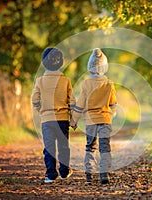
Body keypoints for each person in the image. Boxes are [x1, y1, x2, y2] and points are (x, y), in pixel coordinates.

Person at [70, 48, 117, 184]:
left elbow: (80, 104)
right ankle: (104, 174)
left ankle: (89, 174)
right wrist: (111, 115)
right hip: (105, 120)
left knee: (90, 146)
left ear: (90, 66)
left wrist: (74, 120)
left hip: (90, 121)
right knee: (105, 147)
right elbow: (113, 104)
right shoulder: (109, 84)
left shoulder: (86, 83)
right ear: (105, 66)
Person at [32, 47, 75, 183]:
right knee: (63, 146)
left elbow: (34, 99)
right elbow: (72, 102)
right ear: (61, 62)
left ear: (44, 63)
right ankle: (64, 172)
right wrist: (73, 119)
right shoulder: (66, 81)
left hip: (47, 120)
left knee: (49, 147)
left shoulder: (40, 81)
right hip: (62, 119)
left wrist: (41, 110)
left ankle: (51, 175)